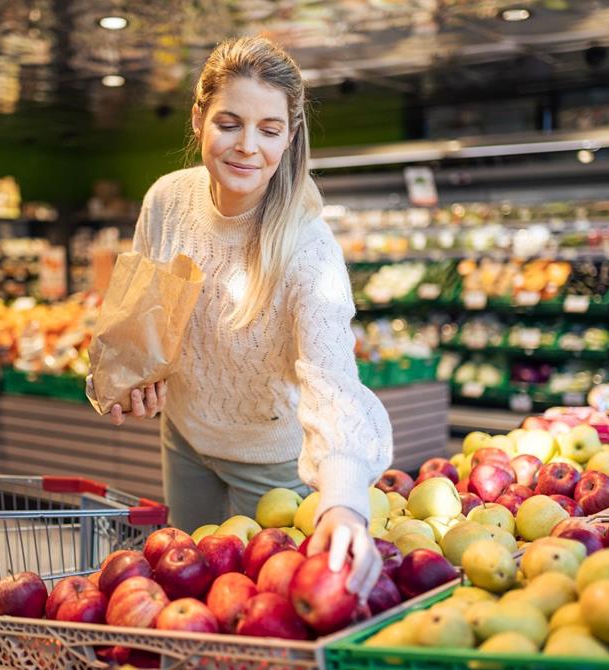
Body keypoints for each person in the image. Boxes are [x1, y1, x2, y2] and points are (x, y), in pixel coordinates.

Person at [97, 36, 393, 603]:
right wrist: (130, 377)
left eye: (269, 129)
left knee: (258, 612)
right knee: (185, 601)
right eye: (229, 123)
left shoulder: (309, 249)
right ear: (198, 118)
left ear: (290, 135)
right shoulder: (167, 200)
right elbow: (146, 314)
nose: (247, 147)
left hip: (271, 459)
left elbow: (334, 382)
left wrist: (343, 502)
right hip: (183, 436)